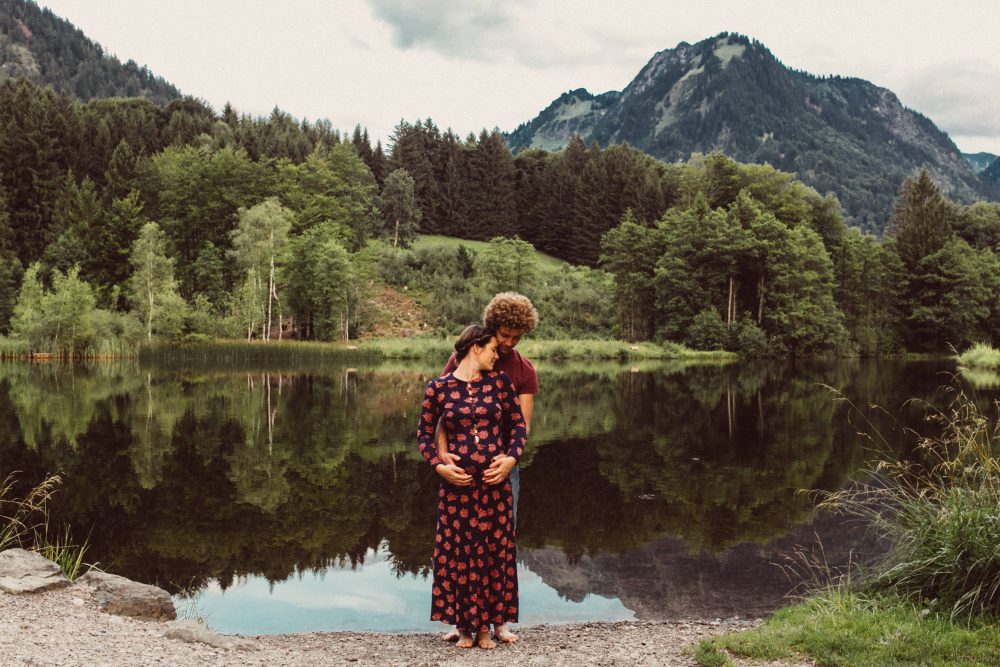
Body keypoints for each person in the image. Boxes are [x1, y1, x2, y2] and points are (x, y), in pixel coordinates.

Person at [417, 325, 528, 650]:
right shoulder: (439, 388)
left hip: (494, 487)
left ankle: (485, 630)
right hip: (457, 489)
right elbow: (424, 434)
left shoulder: (500, 383)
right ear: (475, 348)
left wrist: (509, 460)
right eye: (493, 348)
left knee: (494, 553)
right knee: (459, 554)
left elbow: (519, 427)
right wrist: (439, 466)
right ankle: (465, 628)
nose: (498, 354)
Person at [436, 292, 539, 644]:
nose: (508, 343)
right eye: (503, 335)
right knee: (460, 541)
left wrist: (510, 460)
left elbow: (522, 424)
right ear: (491, 328)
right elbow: (441, 413)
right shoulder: (461, 359)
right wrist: (442, 458)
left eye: (516, 337)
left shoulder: (523, 370)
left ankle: (499, 623)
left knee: (502, 538)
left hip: (502, 466)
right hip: (462, 466)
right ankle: (461, 618)